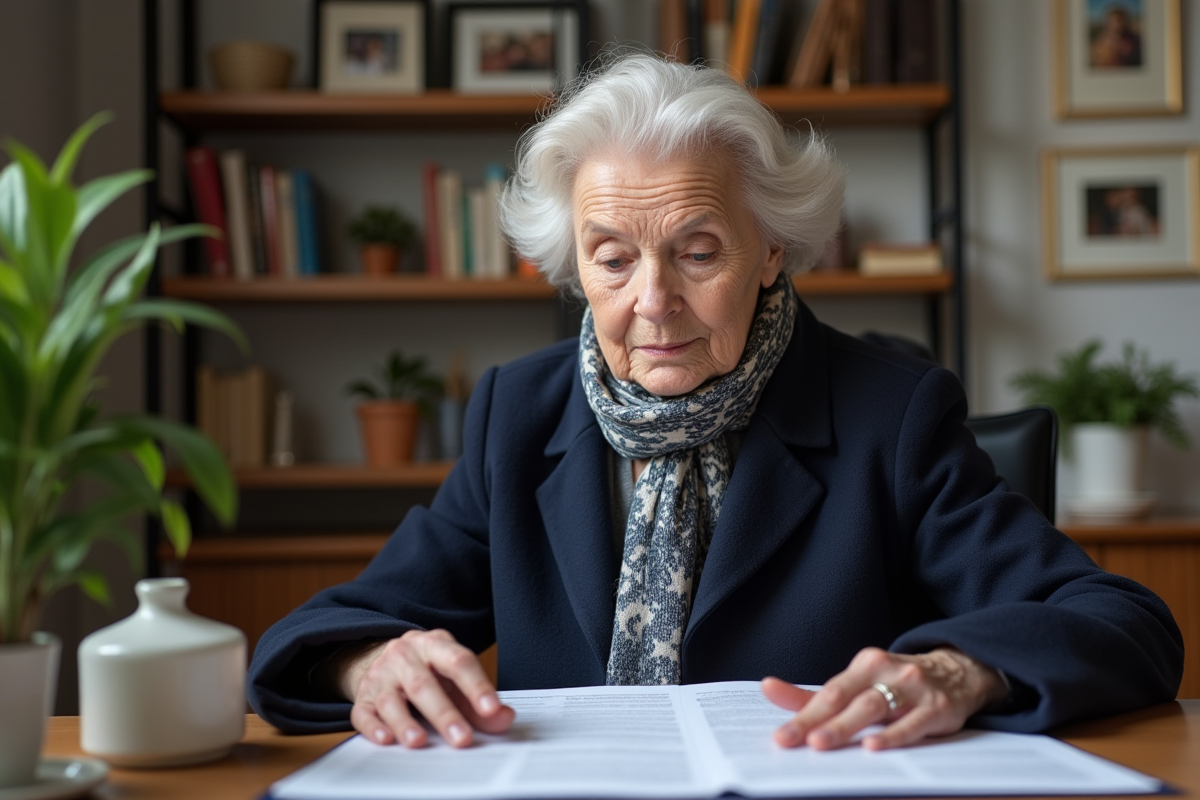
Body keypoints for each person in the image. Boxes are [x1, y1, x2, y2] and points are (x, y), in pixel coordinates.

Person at [248, 54, 1182, 753]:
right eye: (613, 258)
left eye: (697, 252)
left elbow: (1120, 621)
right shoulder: (516, 414)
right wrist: (371, 665)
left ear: (770, 248)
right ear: (577, 266)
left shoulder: (891, 417)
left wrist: (955, 671)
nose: (652, 302)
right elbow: (316, 635)